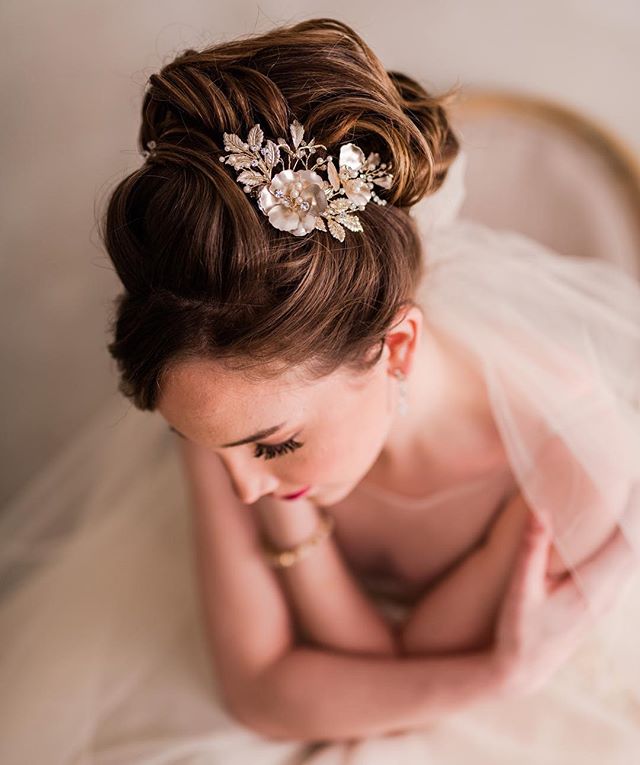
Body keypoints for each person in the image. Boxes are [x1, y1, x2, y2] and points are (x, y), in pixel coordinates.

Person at [2, 16, 640, 764]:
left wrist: (491, 681)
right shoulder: (224, 402)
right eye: (209, 447)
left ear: (396, 346)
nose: (239, 486)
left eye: (276, 444)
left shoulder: (567, 453)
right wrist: (493, 670)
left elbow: (396, 670)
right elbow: (260, 688)